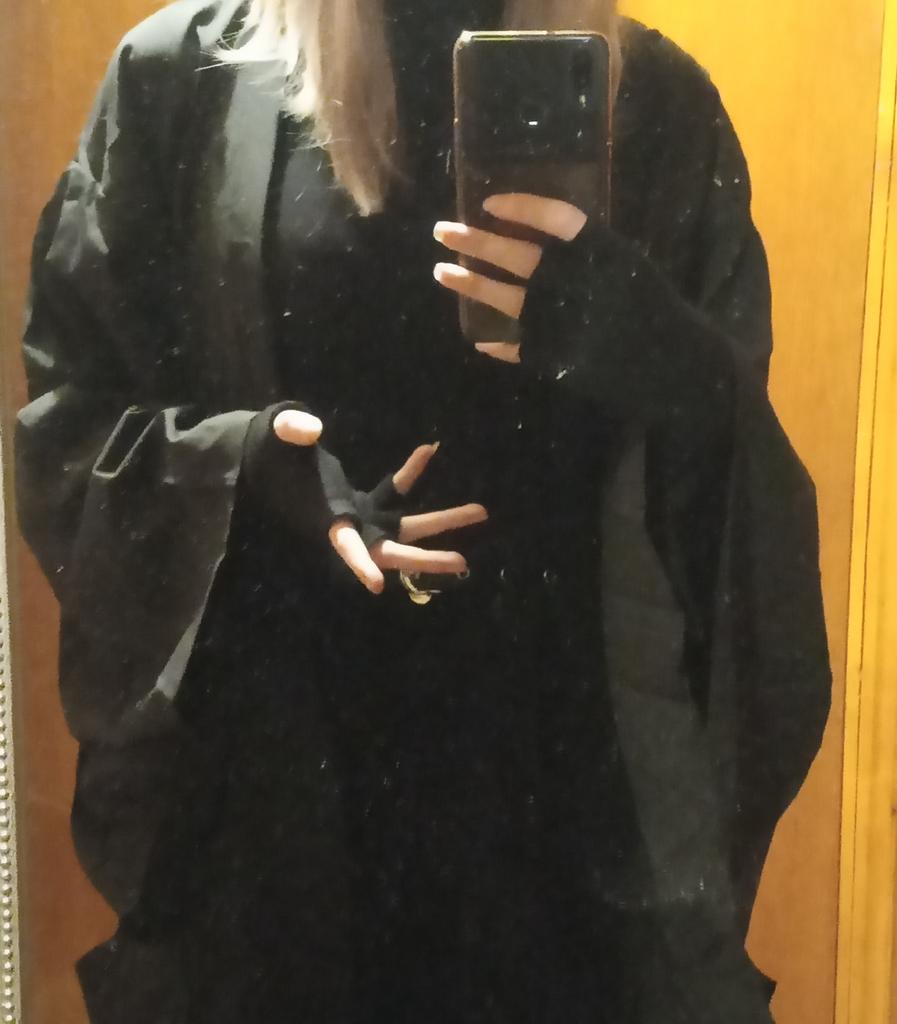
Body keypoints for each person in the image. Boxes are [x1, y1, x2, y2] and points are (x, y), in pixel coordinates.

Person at [14, 0, 832, 1021]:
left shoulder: (656, 107)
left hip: (566, 834)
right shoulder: (188, 77)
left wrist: (649, 342)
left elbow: (741, 505)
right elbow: (69, 432)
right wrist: (250, 473)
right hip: (280, 825)